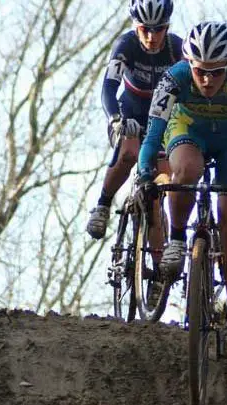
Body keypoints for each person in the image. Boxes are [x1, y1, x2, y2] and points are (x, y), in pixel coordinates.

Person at [136, 22, 227, 358]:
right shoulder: (173, 79)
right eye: (200, 72)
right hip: (189, 131)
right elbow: (153, 135)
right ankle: (178, 238)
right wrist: (142, 175)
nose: (208, 80)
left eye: (217, 72)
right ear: (188, 66)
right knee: (187, 170)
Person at [86, 0, 182, 240]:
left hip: (163, 118)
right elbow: (109, 87)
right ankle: (103, 204)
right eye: (144, 29)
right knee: (129, 151)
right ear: (135, 26)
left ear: (167, 27)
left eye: (158, 29)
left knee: (159, 188)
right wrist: (115, 120)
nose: (151, 36)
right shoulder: (126, 45)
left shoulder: (177, 48)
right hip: (130, 113)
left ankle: (160, 270)